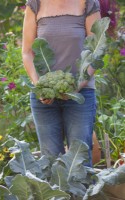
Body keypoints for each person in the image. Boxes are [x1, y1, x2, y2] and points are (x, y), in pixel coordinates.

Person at [22, 0, 101, 166]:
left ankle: (81, 193)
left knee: (79, 160)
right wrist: (39, 86)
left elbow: (96, 51)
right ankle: (57, 193)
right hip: (44, 97)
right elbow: (27, 52)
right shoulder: (35, 4)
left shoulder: (87, 3)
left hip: (81, 93)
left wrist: (76, 86)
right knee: (50, 161)